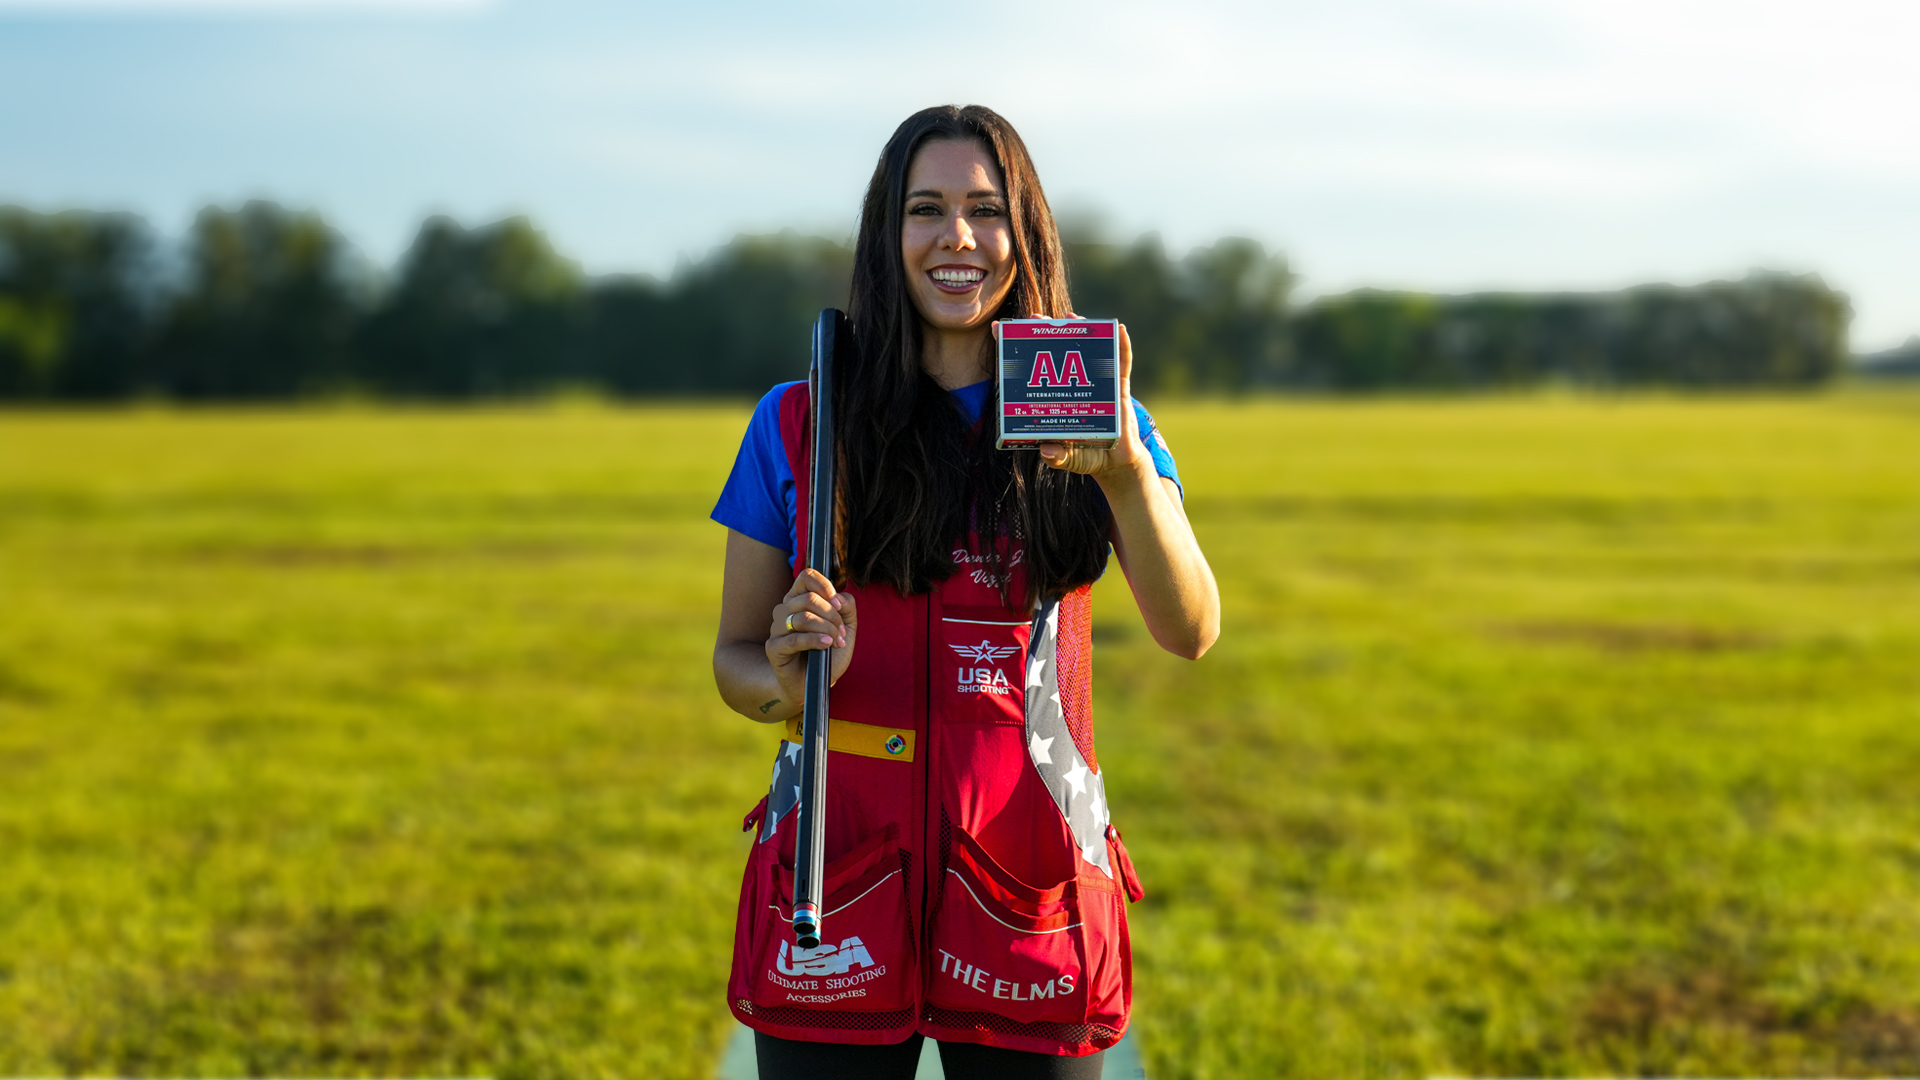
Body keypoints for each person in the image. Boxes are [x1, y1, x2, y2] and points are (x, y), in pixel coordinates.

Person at [710, 104, 1219, 1080]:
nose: (957, 238)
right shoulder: (797, 422)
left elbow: (1192, 628)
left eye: (986, 211)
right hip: (839, 880)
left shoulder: (1091, 407)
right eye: (926, 209)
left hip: (1032, 888)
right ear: (886, 233)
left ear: (1025, 233)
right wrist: (783, 678)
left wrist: (1121, 470)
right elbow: (734, 661)